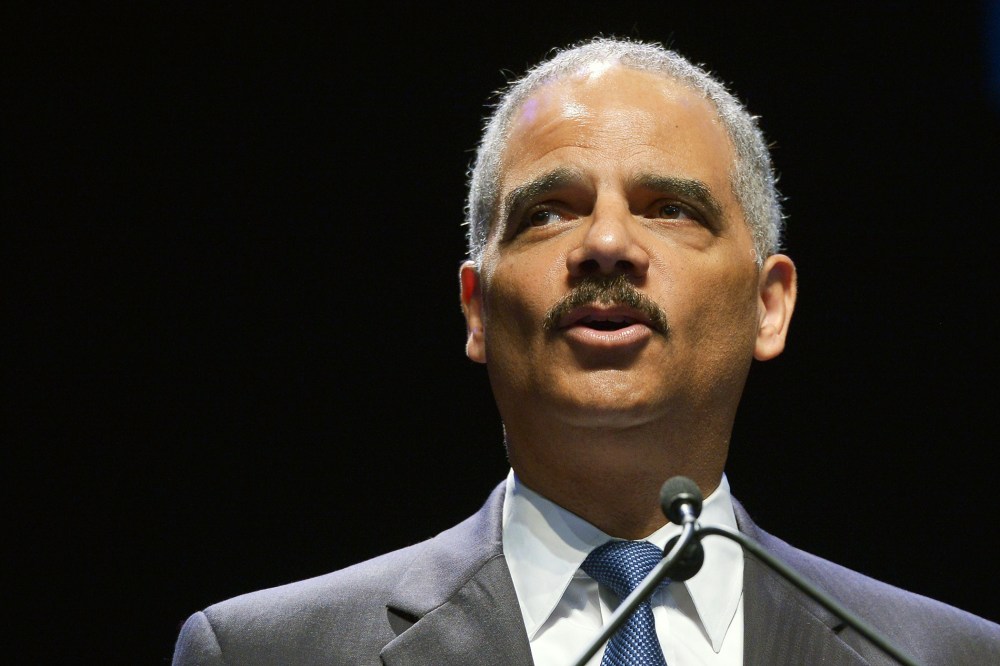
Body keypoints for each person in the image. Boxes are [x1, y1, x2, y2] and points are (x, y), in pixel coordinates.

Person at [172, 37, 1000, 665]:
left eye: (671, 207)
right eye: (549, 212)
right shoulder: (265, 652)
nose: (606, 241)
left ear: (767, 304)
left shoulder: (946, 657)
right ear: (477, 311)